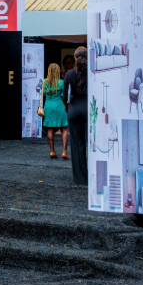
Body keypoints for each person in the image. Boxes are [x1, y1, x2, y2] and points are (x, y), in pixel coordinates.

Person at [62, 47, 88, 184]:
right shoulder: (91, 72)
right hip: (89, 111)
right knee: (92, 144)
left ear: (75, 57)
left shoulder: (70, 74)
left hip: (74, 111)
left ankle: (80, 179)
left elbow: (66, 97)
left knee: (78, 144)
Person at [41, 63, 69, 159]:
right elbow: (64, 95)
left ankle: (52, 151)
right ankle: (64, 152)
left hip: (48, 106)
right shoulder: (61, 83)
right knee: (64, 128)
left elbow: (43, 94)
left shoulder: (44, 83)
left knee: (50, 128)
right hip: (59, 106)